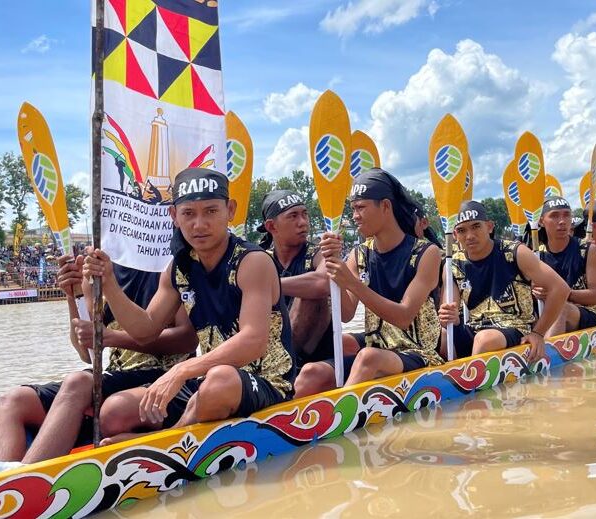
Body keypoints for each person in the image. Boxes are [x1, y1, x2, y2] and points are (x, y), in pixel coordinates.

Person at [84, 167, 295, 444]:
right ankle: (172, 433)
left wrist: (180, 370)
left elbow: (253, 341)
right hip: (208, 380)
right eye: (188, 214)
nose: (199, 224)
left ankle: (167, 442)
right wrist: (109, 282)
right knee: (113, 413)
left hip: (267, 382)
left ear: (230, 210)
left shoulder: (252, 261)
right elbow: (145, 330)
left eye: (210, 211)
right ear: (173, 216)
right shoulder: (179, 268)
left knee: (220, 380)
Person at [0, 258, 195, 463]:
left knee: (79, 383)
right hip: (119, 375)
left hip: (166, 376)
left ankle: (24, 484)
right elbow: (87, 353)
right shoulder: (95, 271)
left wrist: (111, 337)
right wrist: (72, 294)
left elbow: (187, 340)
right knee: (12, 401)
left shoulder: (168, 266)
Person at [293, 169, 443, 397]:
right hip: (378, 346)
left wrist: (352, 283)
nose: (354, 216)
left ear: (385, 206)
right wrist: (336, 273)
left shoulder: (427, 252)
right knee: (310, 374)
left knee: (367, 358)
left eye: (361, 207)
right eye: (352, 209)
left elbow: (403, 317)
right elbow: (346, 314)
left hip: (419, 352)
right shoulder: (359, 254)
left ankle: (340, 416)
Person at [439, 200, 568, 361]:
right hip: (475, 328)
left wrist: (538, 333)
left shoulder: (515, 251)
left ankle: (472, 383)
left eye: (476, 226)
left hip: (516, 328)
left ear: (490, 226)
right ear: (455, 235)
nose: (470, 236)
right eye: (461, 230)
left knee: (484, 339)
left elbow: (560, 288)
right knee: (442, 337)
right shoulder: (452, 264)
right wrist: (448, 315)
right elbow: (449, 313)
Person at [257, 190, 333, 367]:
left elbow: (324, 282)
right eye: (293, 216)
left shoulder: (318, 253)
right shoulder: (260, 260)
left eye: (305, 214)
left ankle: (285, 363)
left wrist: (268, 286)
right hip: (270, 354)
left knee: (311, 291)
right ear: (271, 227)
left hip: (316, 358)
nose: (303, 222)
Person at [534, 196, 596, 334]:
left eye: (566, 215)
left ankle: (547, 355)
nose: (562, 221)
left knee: (560, 307)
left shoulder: (588, 249)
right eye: (554, 216)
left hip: (588, 312)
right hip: (546, 313)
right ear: (541, 221)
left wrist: (559, 294)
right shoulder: (535, 255)